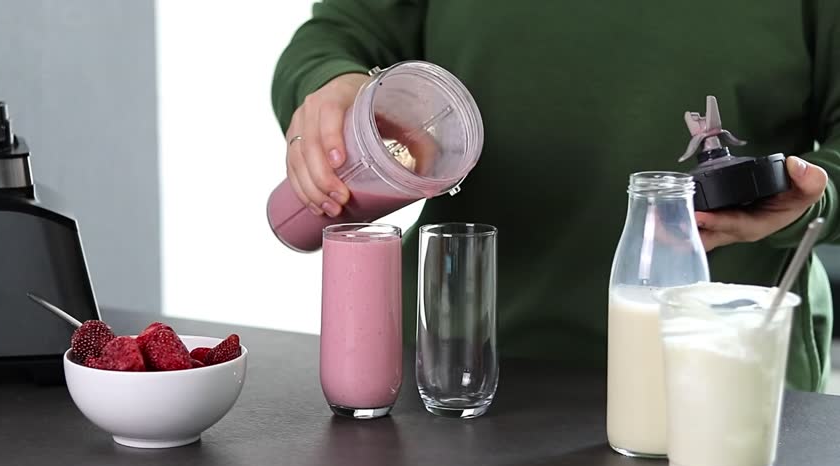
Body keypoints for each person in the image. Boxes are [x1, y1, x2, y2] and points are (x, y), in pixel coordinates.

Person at [271, 0, 840, 392]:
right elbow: (341, 33)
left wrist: (815, 195)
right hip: (450, 369)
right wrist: (330, 83)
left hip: (724, 375)